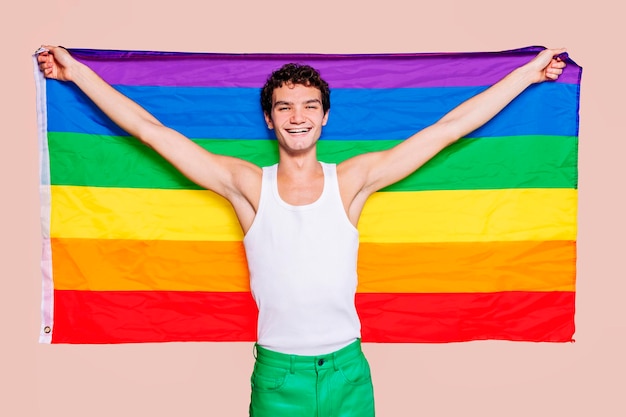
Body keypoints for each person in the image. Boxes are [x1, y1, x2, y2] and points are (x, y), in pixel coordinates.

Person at [37, 45, 566, 417]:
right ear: (269, 119)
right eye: (284, 107)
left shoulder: (353, 181)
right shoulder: (246, 185)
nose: (297, 116)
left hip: (349, 375)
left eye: (309, 106)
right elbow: (152, 132)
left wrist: (529, 74)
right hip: (278, 379)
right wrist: (75, 73)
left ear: (325, 118)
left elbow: (447, 130)